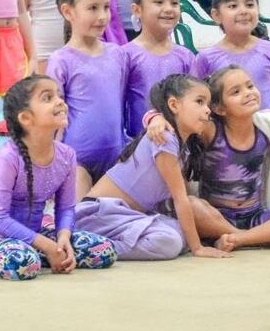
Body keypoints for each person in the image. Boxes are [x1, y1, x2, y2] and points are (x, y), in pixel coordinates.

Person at [0, 75, 117, 280]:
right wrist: (47, 245)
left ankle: (42, 255)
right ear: (25, 118)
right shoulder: (7, 158)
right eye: (47, 98)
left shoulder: (67, 155)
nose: (60, 101)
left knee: (104, 250)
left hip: (36, 233)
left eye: (59, 95)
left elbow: (65, 208)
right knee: (23, 264)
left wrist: (63, 239)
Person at [158, 66, 270, 251]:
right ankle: (248, 237)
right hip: (215, 217)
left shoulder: (268, 124)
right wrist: (154, 118)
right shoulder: (210, 130)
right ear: (219, 108)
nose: (248, 93)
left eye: (250, 86)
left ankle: (238, 239)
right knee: (192, 205)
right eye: (236, 92)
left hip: (255, 216)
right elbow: (178, 120)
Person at [76, 75, 231, 260]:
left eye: (208, 104)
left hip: (128, 217)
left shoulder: (179, 144)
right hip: (99, 215)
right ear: (174, 105)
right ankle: (91, 248)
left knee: (181, 233)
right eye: (199, 102)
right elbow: (180, 199)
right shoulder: (164, 139)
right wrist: (197, 248)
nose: (207, 110)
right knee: (170, 242)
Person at [47, 0, 128, 199]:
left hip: (115, 155)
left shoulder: (117, 54)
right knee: (80, 219)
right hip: (76, 158)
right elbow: (54, 117)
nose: (102, 16)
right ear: (68, 12)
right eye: (92, 8)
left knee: (111, 218)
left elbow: (120, 103)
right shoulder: (61, 60)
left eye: (106, 7)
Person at [192, 0, 270, 110]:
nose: (243, 11)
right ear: (216, 15)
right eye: (233, 6)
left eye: (249, 5)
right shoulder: (206, 58)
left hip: (266, 128)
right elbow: (198, 102)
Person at [123, 0, 196, 138]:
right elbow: (117, 106)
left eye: (174, 3)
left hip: (180, 144)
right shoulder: (126, 55)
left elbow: (194, 101)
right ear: (137, 10)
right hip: (139, 144)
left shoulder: (186, 56)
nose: (169, 8)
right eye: (159, 2)